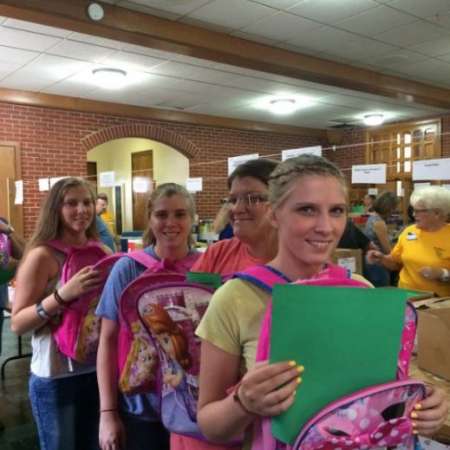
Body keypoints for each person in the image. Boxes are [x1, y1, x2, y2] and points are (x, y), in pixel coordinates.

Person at [196, 155, 449, 448]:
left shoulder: (361, 290)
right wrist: (243, 403)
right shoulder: (235, 297)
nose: (326, 227)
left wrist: (425, 406)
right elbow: (210, 424)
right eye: (307, 210)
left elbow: (380, 396)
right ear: (274, 214)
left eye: (337, 211)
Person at [169, 158, 279, 450]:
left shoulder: (300, 266)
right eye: (233, 199)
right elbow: (187, 328)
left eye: (253, 198)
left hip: (266, 421)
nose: (237, 208)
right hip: (207, 410)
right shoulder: (216, 254)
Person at [96, 183, 200, 450]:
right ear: (150, 219)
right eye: (162, 215)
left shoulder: (206, 268)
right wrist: (107, 414)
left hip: (195, 408)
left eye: (180, 214)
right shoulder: (128, 268)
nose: (171, 223)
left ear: (192, 218)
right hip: (141, 407)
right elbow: (107, 340)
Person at [11, 177, 107, 450]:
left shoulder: (102, 251)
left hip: (97, 371)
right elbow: (17, 324)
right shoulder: (41, 256)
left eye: (87, 202)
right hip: (55, 378)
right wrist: (62, 295)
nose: (82, 210)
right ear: (56, 208)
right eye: (71, 203)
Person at [367, 186, 450, 296]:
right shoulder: (409, 232)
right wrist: (381, 258)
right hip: (406, 297)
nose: (414, 215)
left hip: (438, 302)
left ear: (437, 213)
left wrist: (443, 273)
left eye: (419, 211)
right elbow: (396, 263)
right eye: (413, 210)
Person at [363, 191, 398, 286]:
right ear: (389, 208)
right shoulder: (379, 223)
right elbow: (388, 250)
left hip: (370, 262)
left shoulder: (372, 218)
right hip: (377, 265)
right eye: (394, 207)